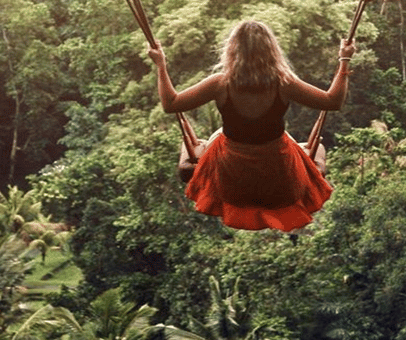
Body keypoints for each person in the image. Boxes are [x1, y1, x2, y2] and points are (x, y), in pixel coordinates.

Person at [148, 20, 355, 231]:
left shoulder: (220, 84)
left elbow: (171, 104)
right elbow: (332, 101)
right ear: (272, 50)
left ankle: (198, 152)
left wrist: (161, 65)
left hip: (231, 183)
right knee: (316, 148)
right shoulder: (284, 82)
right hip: (282, 183)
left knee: (200, 147)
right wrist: (344, 59)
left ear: (231, 51)